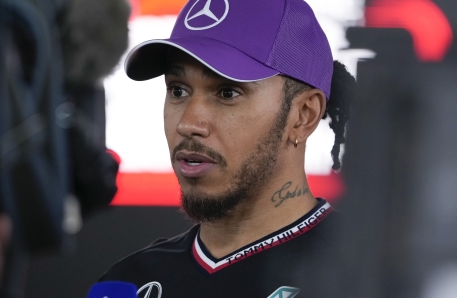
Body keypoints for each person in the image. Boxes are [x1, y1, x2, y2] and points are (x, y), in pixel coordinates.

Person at [98, 0, 355, 296]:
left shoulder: (367, 279)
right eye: (178, 90)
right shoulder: (124, 284)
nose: (188, 124)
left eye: (227, 92)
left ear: (303, 115)